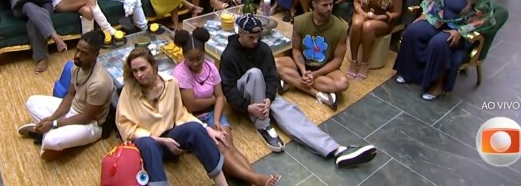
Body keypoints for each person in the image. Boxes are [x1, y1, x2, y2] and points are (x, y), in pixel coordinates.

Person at [219, 14, 377, 167]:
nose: (256, 41)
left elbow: (271, 77)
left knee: (292, 115)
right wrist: (247, 107)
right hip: (244, 98)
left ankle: (336, 150)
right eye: (251, 37)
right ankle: (263, 126)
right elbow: (228, 88)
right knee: (255, 73)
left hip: (264, 95)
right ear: (240, 33)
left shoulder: (263, 49)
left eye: (258, 37)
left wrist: (268, 98)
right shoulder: (229, 55)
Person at [173, 28, 281, 186]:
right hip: (193, 119)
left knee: (229, 145)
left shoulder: (210, 67)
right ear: (184, 56)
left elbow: (221, 97)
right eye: (190, 59)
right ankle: (256, 179)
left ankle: (255, 178)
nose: (195, 63)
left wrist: (217, 120)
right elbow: (192, 105)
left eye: (199, 59)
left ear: (204, 54)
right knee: (221, 149)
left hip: (213, 113)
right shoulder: (180, 73)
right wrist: (213, 99)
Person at [116, 47, 230, 186]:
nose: (139, 75)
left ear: (153, 65)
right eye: (135, 71)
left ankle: (222, 183)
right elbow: (126, 128)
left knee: (195, 128)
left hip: (171, 137)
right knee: (148, 143)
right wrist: (161, 141)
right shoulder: (128, 92)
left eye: (143, 69)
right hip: (146, 144)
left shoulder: (171, 83)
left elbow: (181, 115)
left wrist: (207, 128)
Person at [394, 0, 496, 100]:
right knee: (413, 31)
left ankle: (437, 85)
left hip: (458, 28)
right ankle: (409, 73)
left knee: (439, 43)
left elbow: (485, 18)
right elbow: (434, 0)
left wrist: (460, 31)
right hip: (439, 20)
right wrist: (425, 14)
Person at [18, 31, 115, 160]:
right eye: (78, 50)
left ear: (95, 55)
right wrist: (51, 119)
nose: (78, 55)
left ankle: (47, 134)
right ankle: (51, 133)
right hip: (73, 110)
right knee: (31, 102)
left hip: (91, 124)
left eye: (84, 53)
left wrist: (53, 124)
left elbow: (86, 117)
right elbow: (70, 96)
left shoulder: (99, 83)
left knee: (51, 140)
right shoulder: (76, 66)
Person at [275, 0, 349, 109]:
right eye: (325, 5)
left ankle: (292, 82)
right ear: (314, 4)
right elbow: (296, 49)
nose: (329, 8)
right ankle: (318, 94)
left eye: (331, 4)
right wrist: (303, 70)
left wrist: (315, 74)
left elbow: (338, 60)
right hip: (301, 65)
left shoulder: (341, 28)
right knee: (274, 63)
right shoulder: (300, 21)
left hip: (324, 69)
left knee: (343, 83)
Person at [347, 0, 403, 79]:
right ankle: (354, 60)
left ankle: (365, 62)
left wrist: (378, 17)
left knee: (368, 26)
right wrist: (361, 11)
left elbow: (397, 13)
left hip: (383, 19)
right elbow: (356, 2)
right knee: (357, 24)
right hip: (364, 12)